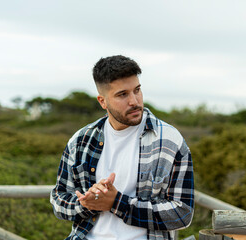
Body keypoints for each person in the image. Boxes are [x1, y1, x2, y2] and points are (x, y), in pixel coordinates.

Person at [50, 55, 194, 240]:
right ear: (102, 101)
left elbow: (182, 214)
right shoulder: (80, 141)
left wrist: (116, 203)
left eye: (137, 90)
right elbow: (58, 200)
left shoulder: (169, 141)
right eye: (122, 94)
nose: (134, 101)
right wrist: (87, 202)